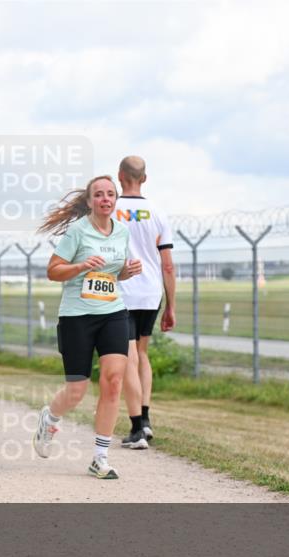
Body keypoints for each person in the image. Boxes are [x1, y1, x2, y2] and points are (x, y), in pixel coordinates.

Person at [31, 175, 142, 480]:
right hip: (77, 317)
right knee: (77, 389)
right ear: (90, 201)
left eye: (110, 194)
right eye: (99, 195)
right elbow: (53, 271)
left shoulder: (121, 232)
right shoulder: (78, 232)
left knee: (114, 381)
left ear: (115, 200)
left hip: (113, 312)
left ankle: (99, 457)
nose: (105, 199)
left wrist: (126, 271)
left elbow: (114, 275)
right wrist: (80, 266)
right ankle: (50, 418)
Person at [115, 156, 176, 449]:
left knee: (129, 356)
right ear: (144, 178)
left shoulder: (110, 208)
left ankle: (137, 427)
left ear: (120, 176)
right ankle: (147, 420)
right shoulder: (158, 212)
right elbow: (168, 265)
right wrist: (171, 306)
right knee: (142, 352)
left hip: (123, 290)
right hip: (152, 292)